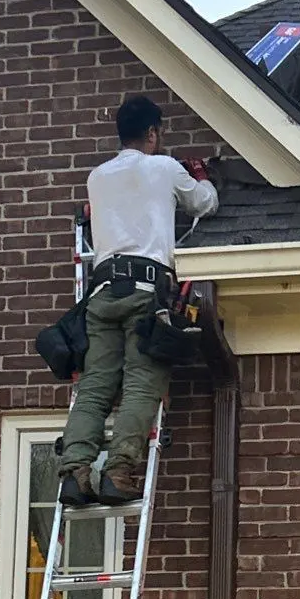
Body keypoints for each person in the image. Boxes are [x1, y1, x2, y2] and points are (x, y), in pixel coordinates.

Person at [58, 97, 218, 508]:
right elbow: (204, 203)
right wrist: (199, 175)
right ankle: (119, 471)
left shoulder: (97, 176)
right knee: (142, 383)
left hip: (102, 294)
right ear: (152, 133)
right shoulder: (164, 167)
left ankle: (75, 472)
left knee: (94, 387)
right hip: (145, 292)